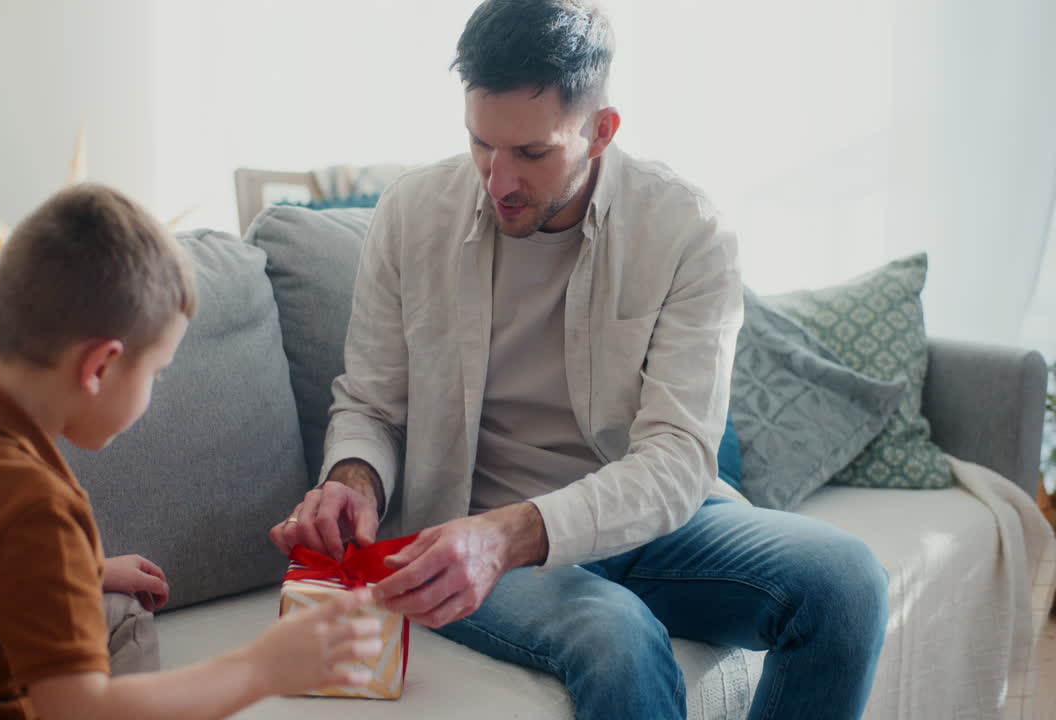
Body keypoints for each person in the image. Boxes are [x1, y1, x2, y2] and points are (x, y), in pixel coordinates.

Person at [268, 1, 889, 717]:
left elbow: (681, 458)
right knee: (615, 636)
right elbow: (372, 405)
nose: (498, 180)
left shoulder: (687, 231)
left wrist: (513, 535)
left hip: (635, 525)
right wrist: (357, 482)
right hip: (465, 527)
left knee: (849, 583)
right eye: (481, 144)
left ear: (601, 131)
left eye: (531, 153)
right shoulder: (411, 214)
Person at [0, 183, 382, 720]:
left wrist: (85, 570)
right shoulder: (35, 507)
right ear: (100, 368)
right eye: (155, 371)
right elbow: (77, 710)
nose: (153, 389)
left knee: (121, 609)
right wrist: (262, 668)